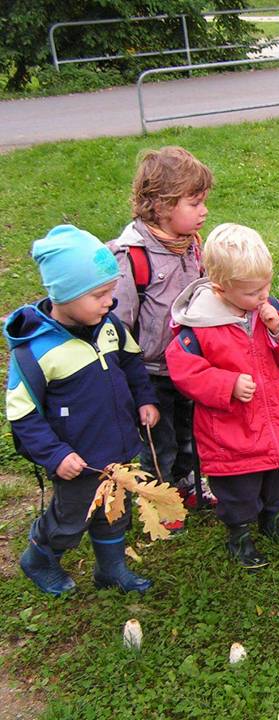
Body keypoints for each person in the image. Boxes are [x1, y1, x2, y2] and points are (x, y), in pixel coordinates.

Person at [7, 225, 159, 596]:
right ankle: (40, 557)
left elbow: (131, 362)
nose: (111, 301)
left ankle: (111, 570)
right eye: (99, 295)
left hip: (118, 448)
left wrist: (145, 399)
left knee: (115, 510)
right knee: (71, 518)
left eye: (111, 291)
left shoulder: (110, 327)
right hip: (77, 459)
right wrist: (55, 455)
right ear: (64, 295)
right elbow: (22, 414)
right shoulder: (36, 351)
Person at [165, 223, 279, 570]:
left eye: (266, 286)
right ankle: (240, 534)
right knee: (238, 490)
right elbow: (184, 369)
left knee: (277, 480)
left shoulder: (270, 309)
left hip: (276, 420)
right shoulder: (200, 326)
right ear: (220, 288)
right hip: (233, 431)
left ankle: (273, 518)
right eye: (252, 292)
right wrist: (226, 384)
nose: (262, 296)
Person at [107, 146, 215, 530]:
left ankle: (188, 483)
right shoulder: (132, 256)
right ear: (162, 205)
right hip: (151, 371)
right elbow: (118, 325)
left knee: (192, 432)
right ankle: (159, 499)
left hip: (190, 363)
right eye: (195, 203)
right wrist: (128, 381)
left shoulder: (192, 243)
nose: (204, 211)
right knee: (159, 442)